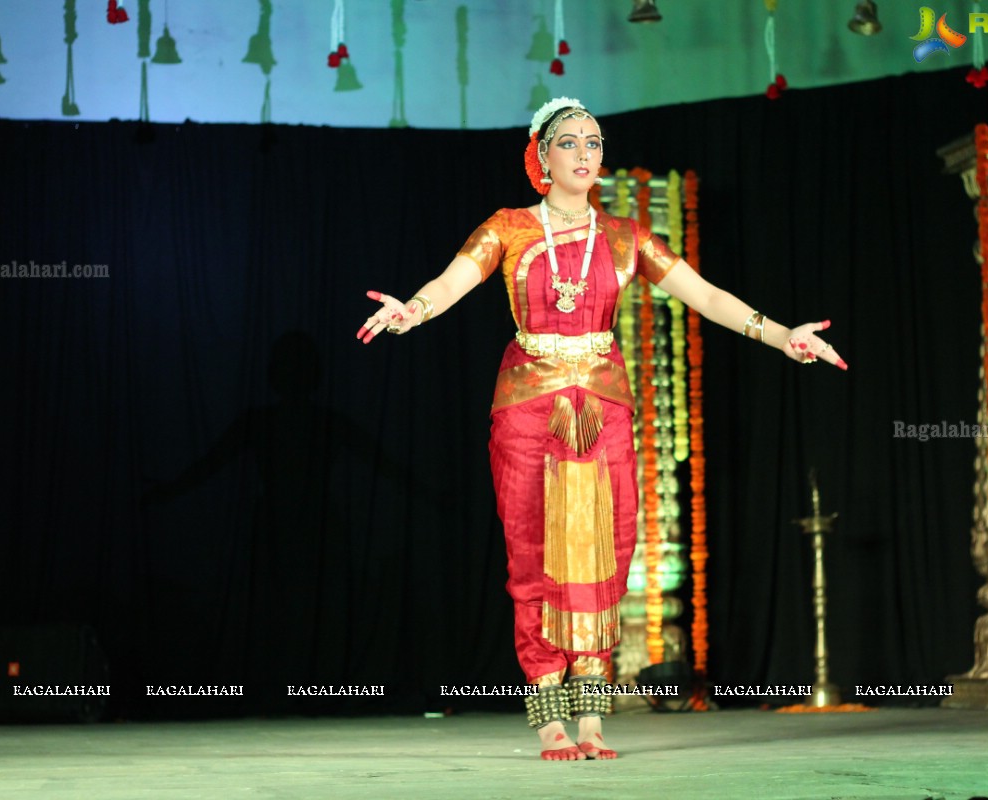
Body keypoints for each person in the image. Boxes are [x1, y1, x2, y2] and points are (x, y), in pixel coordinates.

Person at [357, 98, 846, 761]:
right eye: (570, 142)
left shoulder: (626, 236)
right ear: (541, 156)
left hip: (603, 406)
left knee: (605, 555)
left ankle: (592, 716)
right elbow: (453, 281)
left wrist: (782, 334)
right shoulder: (508, 228)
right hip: (529, 405)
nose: (585, 153)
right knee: (533, 557)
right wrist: (413, 311)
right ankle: (549, 716)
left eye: (594, 142)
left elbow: (704, 296)